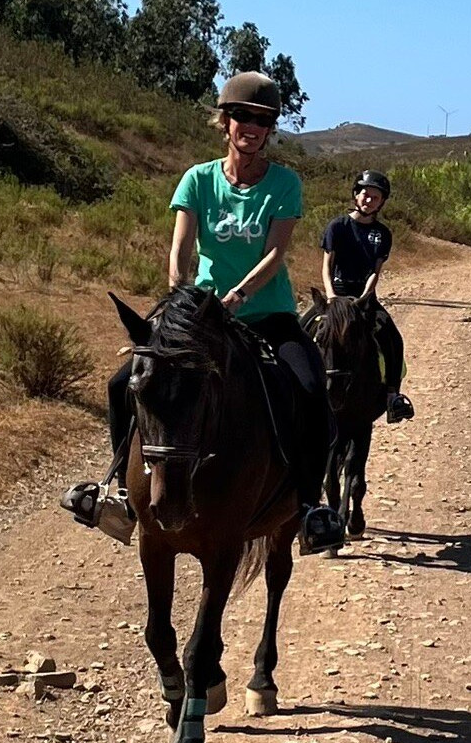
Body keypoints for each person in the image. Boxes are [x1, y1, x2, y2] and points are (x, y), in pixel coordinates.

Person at [61, 71, 345, 554]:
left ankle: (310, 507)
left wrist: (237, 297)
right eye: (242, 117)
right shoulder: (198, 179)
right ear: (224, 121)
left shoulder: (284, 184)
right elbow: (181, 247)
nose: (251, 127)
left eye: (262, 120)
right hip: (200, 313)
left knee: (311, 386)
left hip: (266, 312)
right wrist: (179, 290)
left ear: (270, 128)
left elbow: (276, 254)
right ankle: (121, 495)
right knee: (121, 381)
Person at [317, 170, 413, 423]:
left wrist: (364, 298)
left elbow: (375, 271)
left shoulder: (383, 234)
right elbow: (327, 265)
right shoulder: (337, 226)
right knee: (302, 328)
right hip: (335, 296)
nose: (368, 200)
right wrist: (330, 297)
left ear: (382, 202)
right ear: (355, 195)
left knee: (392, 337)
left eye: (375, 197)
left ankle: (393, 396)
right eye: (364, 194)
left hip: (363, 299)